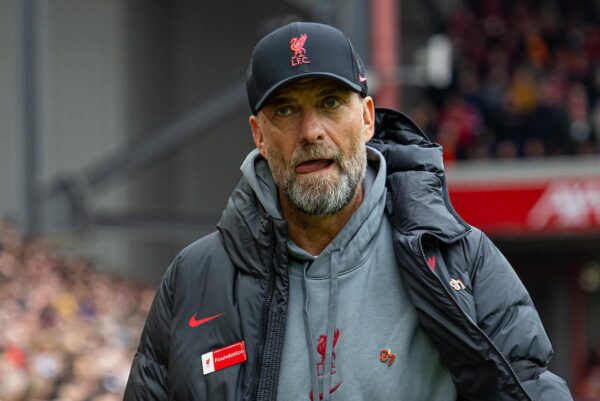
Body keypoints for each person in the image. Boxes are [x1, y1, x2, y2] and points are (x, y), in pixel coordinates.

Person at [123, 22, 573, 401]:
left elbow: (529, 387)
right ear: (259, 136)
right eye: (285, 110)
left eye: (331, 103)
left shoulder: (458, 258)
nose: (311, 131)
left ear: (368, 118)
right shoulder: (191, 283)